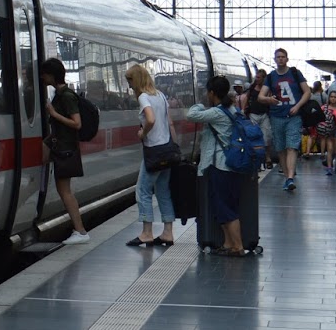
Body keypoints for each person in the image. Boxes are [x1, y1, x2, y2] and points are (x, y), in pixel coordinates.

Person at [187, 75, 247, 256]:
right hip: (231, 165)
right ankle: (228, 244)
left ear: (212, 93)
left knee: (226, 207)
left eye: (207, 92)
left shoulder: (217, 112)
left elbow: (192, 115)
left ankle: (238, 246)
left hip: (222, 166)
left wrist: (199, 104)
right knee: (224, 206)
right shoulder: (232, 109)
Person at [125, 63, 175, 247]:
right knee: (163, 191)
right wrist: (173, 146)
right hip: (167, 150)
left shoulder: (144, 97)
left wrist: (142, 133)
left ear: (136, 80)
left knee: (143, 190)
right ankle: (168, 232)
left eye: (130, 81)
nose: (129, 86)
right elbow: (169, 122)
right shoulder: (160, 96)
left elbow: (151, 119)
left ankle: (147, 233)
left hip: (154, 151)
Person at [40, 58, 90, 243]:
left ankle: (81, 231)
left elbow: (77, 123)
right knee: (64, 190)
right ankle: (80, 230)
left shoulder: (66, 96)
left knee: (65, 191)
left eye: (44, 74)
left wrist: (54, 114)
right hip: (61, 147)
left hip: (66, 150)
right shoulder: (60, 94)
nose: (42, 78)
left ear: (52, 75)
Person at [259, 48, 312, 192]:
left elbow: (307, 91)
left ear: (287, 59)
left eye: (283, 57)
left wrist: (298, 106)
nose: (281, 59)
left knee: (292, 146)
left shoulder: (295, 73)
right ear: (275, 59)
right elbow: (260, 97)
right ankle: (288, 174)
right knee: (281, 148)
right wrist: (268, 99)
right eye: (278, 57)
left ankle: (289, 178)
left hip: (294, 116)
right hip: (276, 116)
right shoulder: (270, 77)